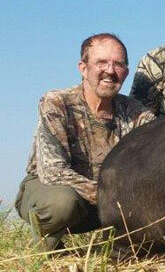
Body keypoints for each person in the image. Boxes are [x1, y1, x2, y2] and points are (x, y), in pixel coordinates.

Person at [16, 34, 155, 251]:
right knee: (62, 204)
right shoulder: (56, 102)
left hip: (107, 202)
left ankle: (107, 251)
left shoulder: (139, 115)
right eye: (101, 62)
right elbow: (53, 172)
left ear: (126, 73)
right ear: (83, 68)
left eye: (118, 64)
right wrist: (116, 199)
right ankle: (44, 251)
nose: (110, 70)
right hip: (55, 190)